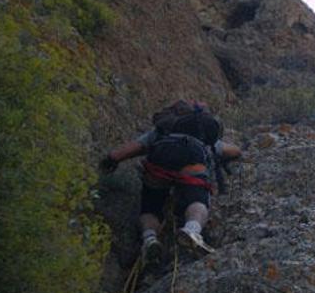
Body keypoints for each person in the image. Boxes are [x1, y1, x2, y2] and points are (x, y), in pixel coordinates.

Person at [99, 100, 241, 262]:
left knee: (151, 206)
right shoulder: (201, 131)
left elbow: (129, 149)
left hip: (159, 161)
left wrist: (110, 160)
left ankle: (150, 239)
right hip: (192, 159)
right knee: (197, 199)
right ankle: (192, 230)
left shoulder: (161, 130)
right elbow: (233, 151)